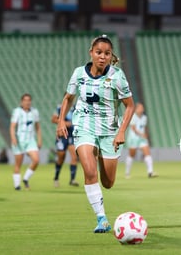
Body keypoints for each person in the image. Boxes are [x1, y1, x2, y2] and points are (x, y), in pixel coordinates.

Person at [56, 34, 135, 233]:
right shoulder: (78, 74)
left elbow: (130, 106)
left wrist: (121, 132)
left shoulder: (117, 76)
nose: (102, 56)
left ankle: (99, 151)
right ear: (91, 53)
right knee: (90, 172)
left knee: (108, 183)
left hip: (109, 131)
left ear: (111, 56)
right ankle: (102, 219)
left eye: (107, 53)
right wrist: (60, 121)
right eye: (98, 52)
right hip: (84, 127)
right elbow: (68, 98)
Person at [10, 93, 42, 190]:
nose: (27, 102)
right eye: (25, 100)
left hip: (30, 140)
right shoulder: (17, 112)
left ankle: (26, 178)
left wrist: (39, 139)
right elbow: (12, 127)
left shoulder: (34, 112)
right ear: (22, 102)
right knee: (18, 163)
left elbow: (38, 127)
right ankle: (17, 185)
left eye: (29, 100)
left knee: (36, 160)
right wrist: (13, 138)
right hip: (19, 140)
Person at [125, 102, 158, 178]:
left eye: (142, 108)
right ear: (136, 109)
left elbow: (144, 127)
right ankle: (127, 172)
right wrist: (141, 134)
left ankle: (150, 172)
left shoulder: (144, 117)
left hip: (142, 139)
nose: (142, 109)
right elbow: (133, 128)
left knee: (147, 153)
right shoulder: (133, 117)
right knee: (131, 155)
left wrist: (146, 134)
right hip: (133, 139)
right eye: (140, 108)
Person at [51, 99, 79, 187]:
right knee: (61, 158)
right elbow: (53, 119)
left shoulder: (76, 108)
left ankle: (72, 179)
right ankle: (56, 178)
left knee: (74, 157)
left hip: (72, 135)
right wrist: (64, 123)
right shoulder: (59, 108)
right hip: (62, 136)